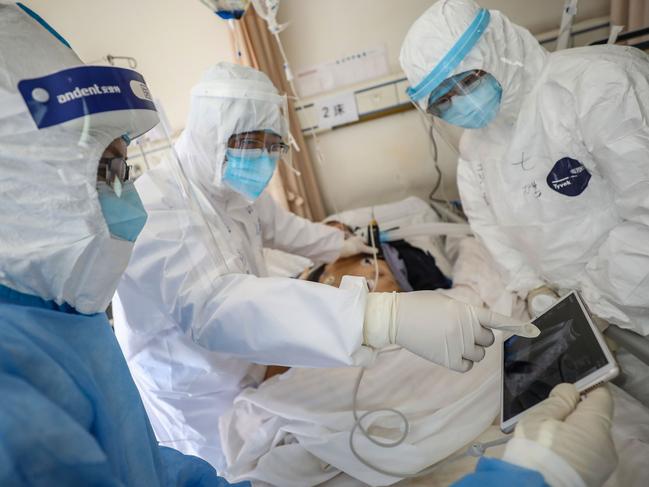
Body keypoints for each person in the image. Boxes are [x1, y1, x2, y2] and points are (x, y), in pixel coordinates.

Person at [112, 62, 537, 470]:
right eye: (251, 141)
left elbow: (287, 231)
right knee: (227, 467)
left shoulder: (231, 185)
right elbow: (217, 308)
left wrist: (342, 242)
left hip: (258, 369)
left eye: (272, 144)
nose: (263, 156)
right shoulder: (158, 211)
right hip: (194, 396)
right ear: (212, 133)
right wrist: (381, 316)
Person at [0, 3, 245, 485]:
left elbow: (140, 465)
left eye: (123, 169)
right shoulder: (14, 399)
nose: (127, 199)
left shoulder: (62, 318)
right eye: (103, 170)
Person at [400, 0, 649, 334]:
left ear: (498, 48)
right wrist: (534, 289)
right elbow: (491, 231)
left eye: (468, 80)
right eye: (443, 100)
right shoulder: (474, 150)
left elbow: (644, 217)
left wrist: (595, 301)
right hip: (585, 316)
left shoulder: (600, 85)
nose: (460, 101)